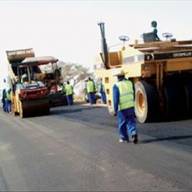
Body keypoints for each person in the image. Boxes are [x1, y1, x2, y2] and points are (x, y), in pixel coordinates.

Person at [113, 70, 138, 144]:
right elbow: (133, 94)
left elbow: (115, 99)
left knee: (122, 123)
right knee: (131, 121)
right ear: (124, 75)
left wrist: (115, 109)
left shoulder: (116, 85)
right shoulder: (130, 83)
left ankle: (124, 138)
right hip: (130, 106)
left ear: (117, 77)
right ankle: (133, 133)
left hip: (122, 108)